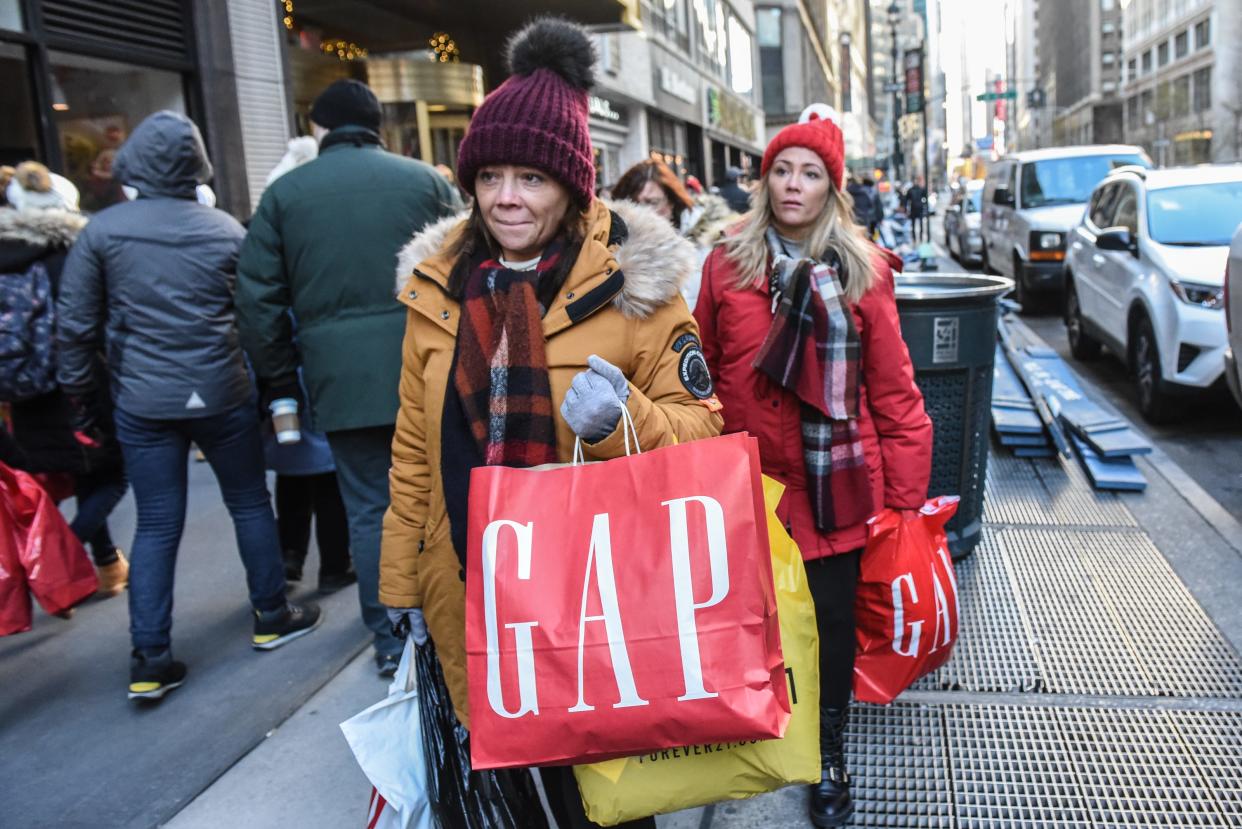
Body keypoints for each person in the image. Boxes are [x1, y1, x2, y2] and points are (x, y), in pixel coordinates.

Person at [379, 18, 722, 828]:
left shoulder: (637, 288)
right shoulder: (436, 292)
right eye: (490, 174)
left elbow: (702, 432)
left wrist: (621, 418)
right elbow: (413, 452)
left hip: (594, 601)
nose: (506, 197)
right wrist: (400, 585)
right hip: (468, 591)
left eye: (530, 177)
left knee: (605, 805)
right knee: (510, 803)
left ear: (571, 184)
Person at [693, 104, 932, 828]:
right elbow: (697, 375)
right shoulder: (726, 262)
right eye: (783, 171)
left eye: (812, 173)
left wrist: (907, 501)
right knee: (752, 625)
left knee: (828, 633)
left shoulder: (864, 271)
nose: (794, 184)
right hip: (747, 486)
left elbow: (893, 392)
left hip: (836, 493)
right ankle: (751, 737)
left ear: (832, 187)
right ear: (765, 181)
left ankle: (828, 755)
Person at [56, 111, 321, 702]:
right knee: (251, 503)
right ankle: (271, 616)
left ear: (132, 168)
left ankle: (150, 656)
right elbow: (258, 316)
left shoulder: (102, 232)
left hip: (144, 397)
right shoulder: (224, 229)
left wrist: (83, 404)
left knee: (156, 522)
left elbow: (74, 328)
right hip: (221, 388)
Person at [236, 79, 460, 677]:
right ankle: (453, 624)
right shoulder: (423, 181)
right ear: (378, 125)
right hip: (429, 363)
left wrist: (283, 379)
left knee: (369, 507)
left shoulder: (286, 194)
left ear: (319, 128)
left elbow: (256, 302)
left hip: (338, 379)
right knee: (438, 494)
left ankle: (391, 643)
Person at [0, 162, 129, 596]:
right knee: (114, 472)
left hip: (22, 395)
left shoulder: (6, 257)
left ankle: (106, 564)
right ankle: (59, 559)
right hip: (78, 388)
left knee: (62, 478)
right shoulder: (72, 256)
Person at [611, 159, 737, 309]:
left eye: (652, 202)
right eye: (634, 203)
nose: (642, 211)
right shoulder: (613, 249)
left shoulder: (710, 242)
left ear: (671, 202)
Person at [903, 174, 928, 243]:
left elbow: (925, 198)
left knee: (920, 225)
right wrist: (906, 210)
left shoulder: (921, 189)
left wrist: (924, 206)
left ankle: (920, 239)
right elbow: (906, 200)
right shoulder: (910, 190)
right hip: (913, 209)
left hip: (919, 209)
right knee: (913, 225)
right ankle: (914, 239)